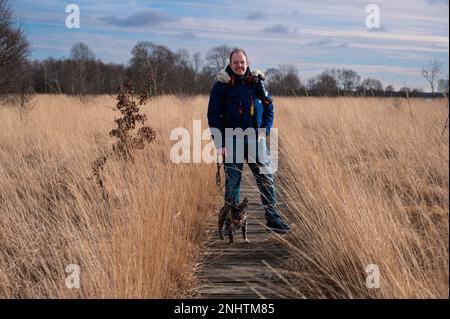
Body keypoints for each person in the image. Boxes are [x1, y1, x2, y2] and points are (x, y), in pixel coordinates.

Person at [207, 48, 290, 234]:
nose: (239, 66)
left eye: (242, 62)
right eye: (235, 62)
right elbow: (213, 116)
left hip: (255, 140)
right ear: (230, 64)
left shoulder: (256, 83)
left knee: (266, 179)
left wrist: (264, 131)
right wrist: (219, 143)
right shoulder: (221, 85)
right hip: (231, 140)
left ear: (247, 62)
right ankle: (231, 222)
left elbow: (270, 108)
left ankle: (273, 220)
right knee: (232, 183)